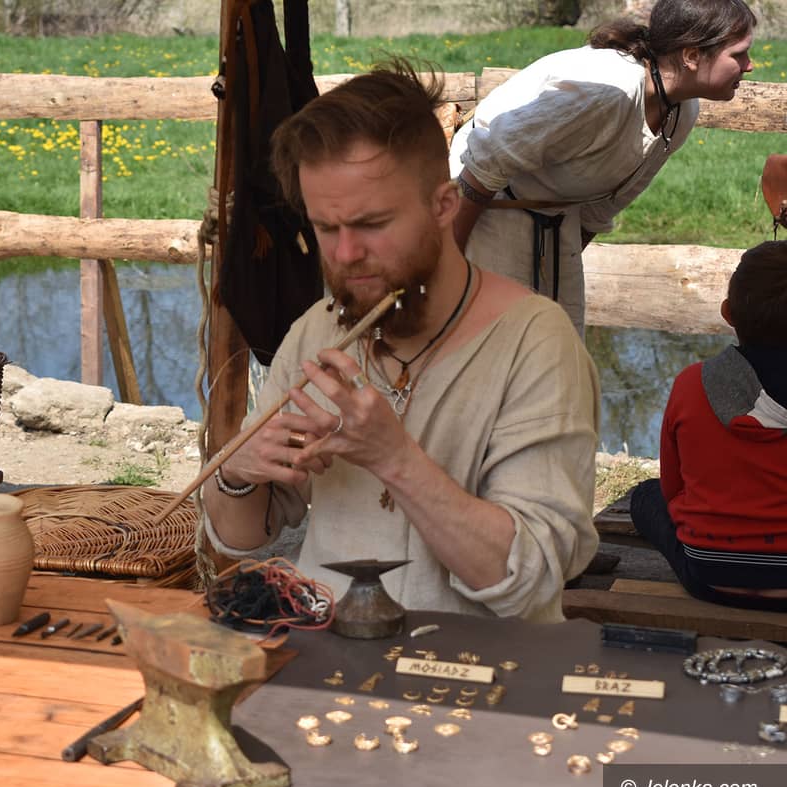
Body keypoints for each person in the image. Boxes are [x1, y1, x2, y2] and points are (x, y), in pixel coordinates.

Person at [201, 60, 601, 623]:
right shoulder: (318, 331)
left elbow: (528, 580)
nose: (345, 254)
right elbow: (241, 538)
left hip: (481, 665)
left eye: (371, 224)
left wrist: (395, 458)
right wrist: (237, 473)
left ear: (444, 206)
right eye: (326, 227)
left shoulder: (535, 342)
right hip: (327, 655)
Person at [449, 0, 756, 331]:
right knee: (498, 340)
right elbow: (487, 159)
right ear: (692, 56)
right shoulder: (609, 90)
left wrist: (561, 259)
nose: (749, 65)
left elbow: (604, 206)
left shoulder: (681, 111)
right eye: (738, 54)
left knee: (561, 339)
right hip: (485, 201)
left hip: (556, 215)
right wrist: (448, 265)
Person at [630, 241, 787, 610]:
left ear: (728, 312)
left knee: (646, 496)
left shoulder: (691, 384)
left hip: (711, 574)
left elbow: (672, 489)